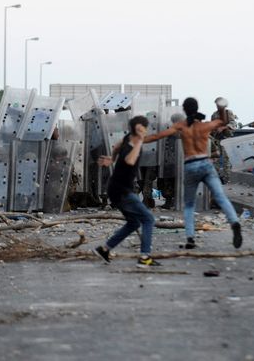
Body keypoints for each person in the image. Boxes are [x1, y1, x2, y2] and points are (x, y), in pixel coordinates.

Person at [145, 97, 242, 250]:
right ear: (197, 108)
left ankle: (190, 238)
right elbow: (222, 122)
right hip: (205, 163)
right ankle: (234, 222)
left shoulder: (181, 126)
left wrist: (138, 140)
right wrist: (222, 109)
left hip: (190, 165)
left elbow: (158, 136)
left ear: (184, 110)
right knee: (221, 197)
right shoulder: (204, 126)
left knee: (189, 205)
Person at [92, 115, 161, 268]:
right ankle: (145, 258)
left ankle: (105, 249)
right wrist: (140, 141)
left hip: (117, 189)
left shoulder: (127, 138)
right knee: (148, 219)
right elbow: (130, 160)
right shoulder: (134, 143)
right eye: (144, 127)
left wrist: (112, 158)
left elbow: (116, 147)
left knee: (134, 222)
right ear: (140, 128)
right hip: (122, 191)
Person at [210, 98, 238, 184]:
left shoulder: (228, 113)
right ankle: (216, 177)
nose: (217, 106)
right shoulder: (214, 115)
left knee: (227, 160)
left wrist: (223, 127)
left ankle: (226, 179)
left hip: (226, 139)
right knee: (215, 159)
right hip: (217, 139)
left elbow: (233, 124)